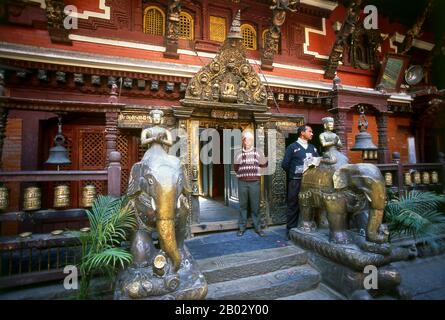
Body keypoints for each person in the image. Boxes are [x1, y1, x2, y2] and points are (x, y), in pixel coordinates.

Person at [281, 125, 319, 239]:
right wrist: (296, 172)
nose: (312, 133)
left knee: (310, 205)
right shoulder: (292, 147)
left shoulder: (313, 148)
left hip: (310, 184)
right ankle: (290, 231)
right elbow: (285, 165)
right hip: (296, 182)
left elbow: (318, 162)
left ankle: (306, 228)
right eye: (310, 131)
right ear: (302, 133)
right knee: (293, 206)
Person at [234, 130, 268, 237]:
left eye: (250, 139)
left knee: (255, 206)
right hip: (242, 182)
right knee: (243, 206)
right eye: (246, 139)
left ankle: (258, 228)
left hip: (254, 182)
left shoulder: (258, 152)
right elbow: (236, 168)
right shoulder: (238, 153)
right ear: (243, 141)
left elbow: (264, 165)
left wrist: (257, 173)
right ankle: (241, 228)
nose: (249, 141)